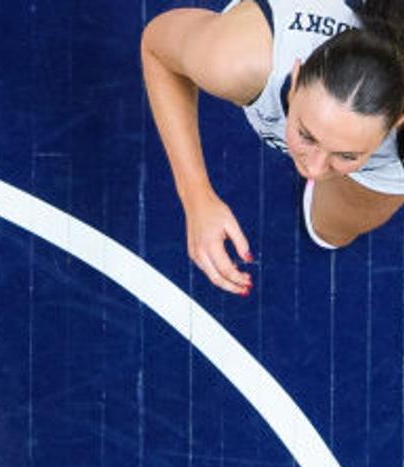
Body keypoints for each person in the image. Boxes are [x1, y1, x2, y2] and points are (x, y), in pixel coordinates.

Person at [141, 0, 404, 294]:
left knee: (331, 231)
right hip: (257, 39)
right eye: (307, 135)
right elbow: (157, 47)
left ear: (397, 121)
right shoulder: (237, 59)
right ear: (294, 80)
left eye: (347, 154)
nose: (313, 168)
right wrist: (196, 197)